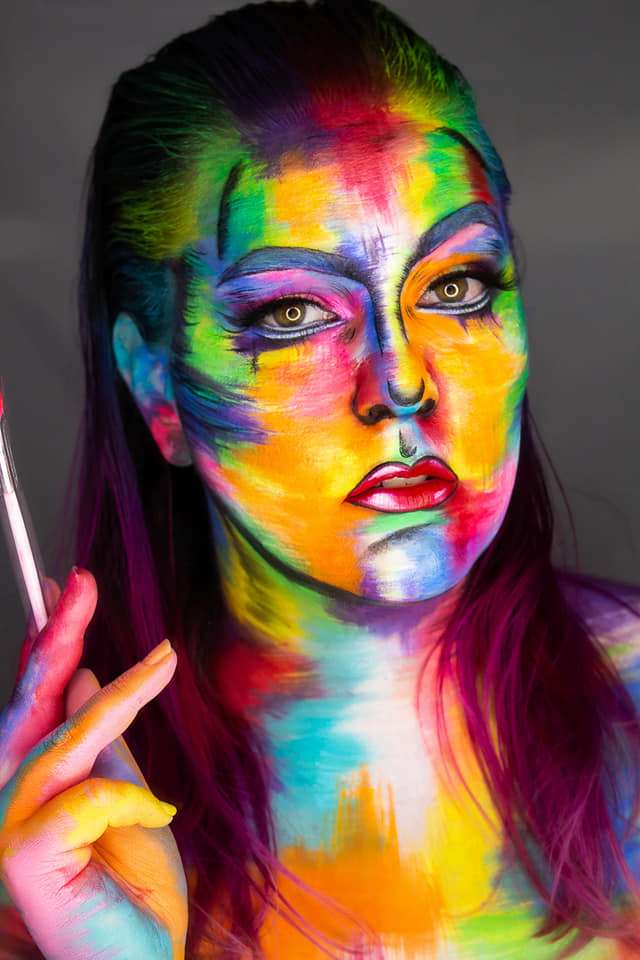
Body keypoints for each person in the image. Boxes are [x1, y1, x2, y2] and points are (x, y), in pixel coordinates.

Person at [1, 1, 639, 957]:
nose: (402, 383)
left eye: (455, 286)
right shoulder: (44, 860)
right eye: (294, 313)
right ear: (158, 387)